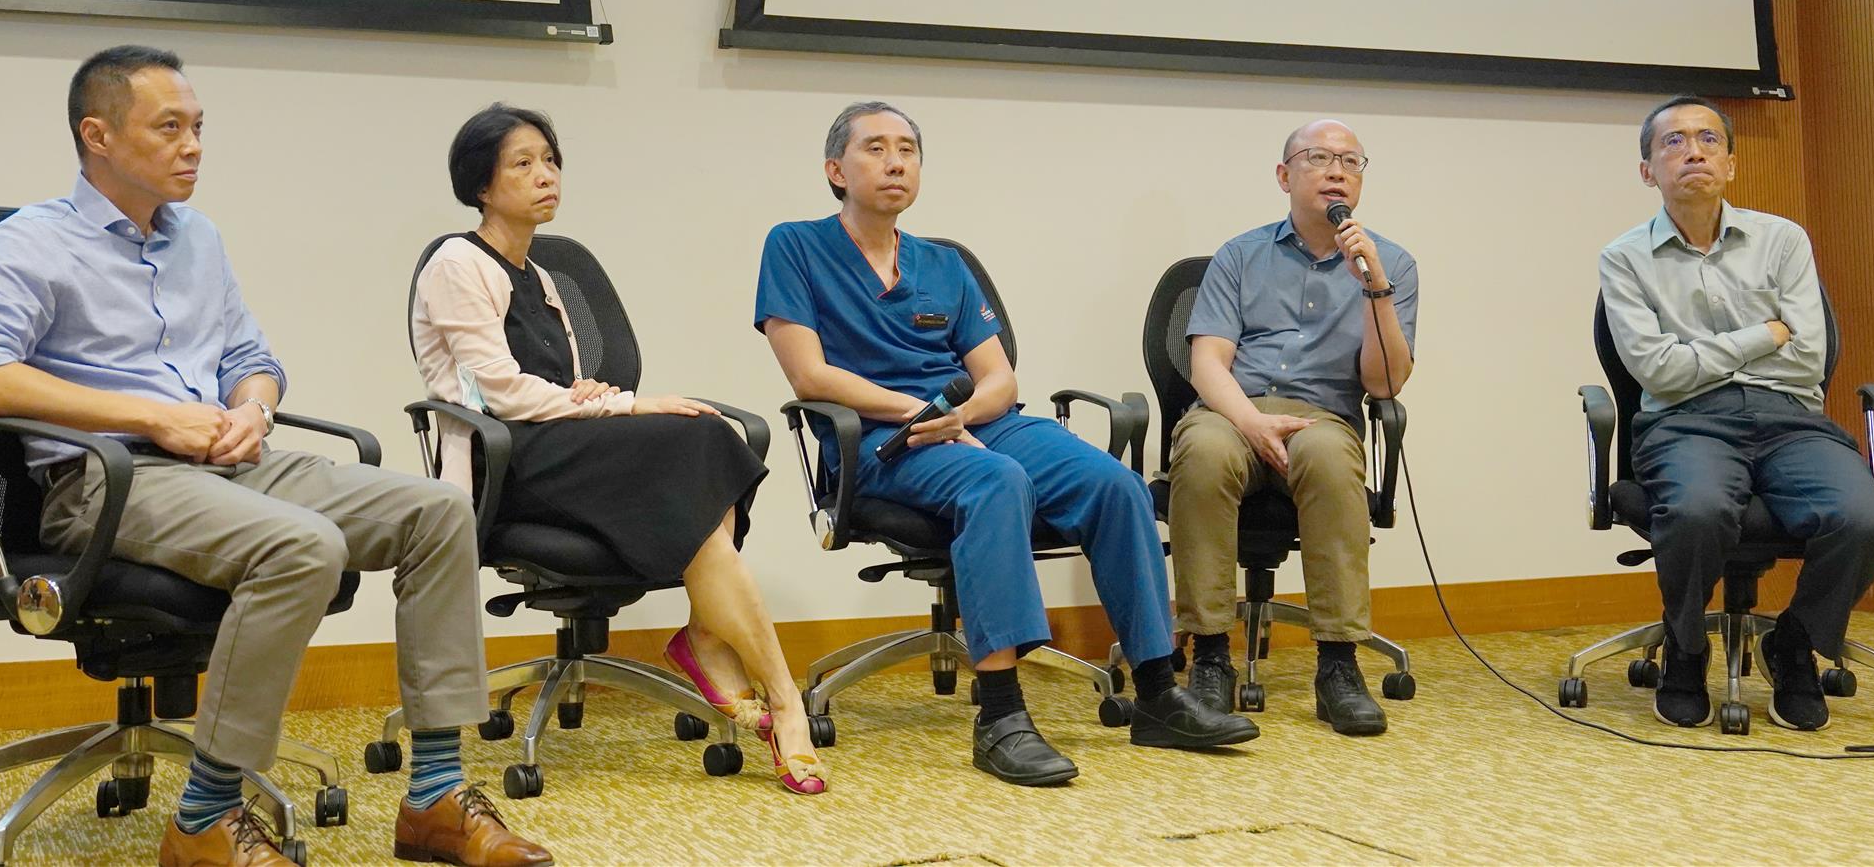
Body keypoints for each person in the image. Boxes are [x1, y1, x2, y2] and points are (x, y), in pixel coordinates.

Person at [0, 47, 550, 867]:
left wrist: (251, 410)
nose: (193, 144)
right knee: (303, 546)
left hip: (230, 461)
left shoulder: (200, 239)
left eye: (198, 127)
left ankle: (434, 796)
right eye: (170, 127)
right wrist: (155, 416)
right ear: (98, 135)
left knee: (437, 512)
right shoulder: (32, 242)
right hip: (108, 480)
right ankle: (203, 820)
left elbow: (251, 359)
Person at [754, 101, 1258, 788]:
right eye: (875, 147)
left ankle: (1158, 691)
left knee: (1114, 484)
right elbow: (810, 373)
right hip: (880, 439)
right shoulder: (795, 245)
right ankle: (1000, 716)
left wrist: (960, 415)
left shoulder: (944, 264)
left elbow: (999, 377)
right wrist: (924, 411)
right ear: (835, 169)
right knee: (997, 482)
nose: (895, 160)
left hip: (976, 422)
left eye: (908, 148)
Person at [412, 103, 823, 794]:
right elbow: (502, 396)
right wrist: (620, 401)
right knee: (684, 433)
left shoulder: (543, 277)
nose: (545, 174)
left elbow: (559, 387)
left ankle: (722, 651)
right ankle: (777, 696)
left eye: (550, 159)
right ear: (481, 185)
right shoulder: (458, 262)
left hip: (562, 451)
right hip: (505, 464)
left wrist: (589, 393)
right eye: (523, 163)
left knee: (705, 434)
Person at [1598, 96, 1874, 732]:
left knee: (1865, 521)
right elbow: (1659, 374)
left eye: (1708, 139)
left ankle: (1795, 643)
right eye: (1673, 142)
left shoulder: (1783, 239)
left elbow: (1808, 355)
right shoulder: (1624, 258)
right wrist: (1764, 334)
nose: (1694, 151)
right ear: (1648, 169)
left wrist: (1708, 355)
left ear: (1731, 163)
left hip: (1790, 418)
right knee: (1698, 510)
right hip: (1686, 421)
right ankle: (1685, 650)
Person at [1165, 119, 1418, 736]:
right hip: (1234, 408)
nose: (1337, 171)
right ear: (1285, 176)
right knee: (1200, 455)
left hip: (1322, 416)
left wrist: (1373, 289)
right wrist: (1251, 424)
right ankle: (1211, 658)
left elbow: (1384, 384)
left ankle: (1338, 665)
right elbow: (1206, 363)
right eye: (1319, 158)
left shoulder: (1392, 265)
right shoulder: (1240, 255)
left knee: (1333, 461)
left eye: (1352, 162)